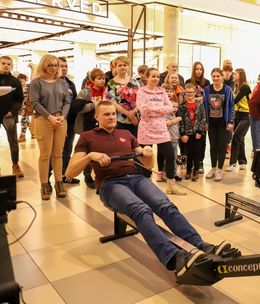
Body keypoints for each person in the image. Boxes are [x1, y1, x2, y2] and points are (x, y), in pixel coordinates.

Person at [65, 100, 232, 279]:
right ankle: (174, 258)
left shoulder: (126, 134)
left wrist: (147, 153)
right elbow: (70, 172)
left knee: (166, 205)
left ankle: (202, 245)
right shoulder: (88, 137)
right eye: (106, 114)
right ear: (97, 117)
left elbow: (148, 165)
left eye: (113, 113)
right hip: (110, 184)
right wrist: (90, 156)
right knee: (141, 210)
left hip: (137, 178)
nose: (112, 117)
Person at [136, 68, 185, 195]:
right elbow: (143, 110)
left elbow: (170, 108)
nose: (156, 78)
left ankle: (171, 185)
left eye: (158, 76)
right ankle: (146, 186)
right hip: (146, 129)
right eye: (153, 76)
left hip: (161, 129)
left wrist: (153, 108)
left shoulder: (162, 91)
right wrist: (160, 109)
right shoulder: (141, 92)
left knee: (170, 155)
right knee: (146, 158)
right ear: (146, 77)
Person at [29, 54, 71, 200]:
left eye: (56, 65)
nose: (54, 68)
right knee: (45, 155)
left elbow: (67, 101)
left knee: (58, 154)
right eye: (50, 65)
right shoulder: (36, 82)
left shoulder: (61, 82)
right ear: (44, 66)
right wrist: (49, 117)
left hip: (60, 121)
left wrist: (62, 116)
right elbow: (35, 103)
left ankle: (59, 182)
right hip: (43, 120)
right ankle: (44, 184)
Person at [74, 68, 109, 189]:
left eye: (103, 78)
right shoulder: (85, 92)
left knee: (103, 148)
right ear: (92, 80)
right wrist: (93, 105)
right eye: (99, 78)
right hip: (88, 124)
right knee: (88, 150)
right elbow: (78, 108)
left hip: (102, 124)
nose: (102, 80)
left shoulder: (107, 91)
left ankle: (101, 173)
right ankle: (87, 174)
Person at [203, 68, 235, 182]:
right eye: (214, 76)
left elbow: (232, 107)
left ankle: (220, 170)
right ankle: (213, 168)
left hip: (223, 123)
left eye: (218, 76)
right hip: (211, 123)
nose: (216, 78)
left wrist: (231, 122)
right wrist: (205, 121)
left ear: (222, 77)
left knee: (221, 146)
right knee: (213, 147)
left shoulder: (227, 90)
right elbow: (204, 106)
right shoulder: (207, 89)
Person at [0, 55, 24, 177]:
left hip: (9, 115)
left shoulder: (15, 81)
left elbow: (19, 99)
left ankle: (15, 165)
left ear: (12, 66)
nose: (6, 66)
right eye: (3, 63)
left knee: (13, 141)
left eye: (8, 64)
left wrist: (12, 111)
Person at [57, 57, 79, 184]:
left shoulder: (70, 83)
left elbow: (74, 101)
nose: (64, 68)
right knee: (55, 151)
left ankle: (65, 175)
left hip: (70, 121)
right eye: (61, 66)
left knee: (67, 149)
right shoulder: (50, 83)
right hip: (56, 120)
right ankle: (51, 179)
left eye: (65, 66)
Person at [179, 83, 206, 181]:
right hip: (188, 133)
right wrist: (182, 134)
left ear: (195, 92)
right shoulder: (182, 106)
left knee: (197, 152)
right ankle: (188, 170)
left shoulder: (200, 104)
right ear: (185, 93)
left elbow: (203, 118)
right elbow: (180, 121)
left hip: (198, 133)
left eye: (191, 92)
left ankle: (195, 170)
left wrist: (200, 130)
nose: (190, 94)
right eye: (187, 92)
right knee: (189, 152)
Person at [107, 56, 140, 137]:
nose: (122, 67)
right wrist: (128, 114)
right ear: (115, 67)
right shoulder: (111, 83)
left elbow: (140, 99)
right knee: (122, 144)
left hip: (135, 119)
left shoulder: (134, 81)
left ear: (128, 67)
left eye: (125, 65)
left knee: (135, 145)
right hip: (120, 120)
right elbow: (113, 102)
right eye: (120, 65)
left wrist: (134, 113)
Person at [226, 68, 251, 171]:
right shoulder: (235, 86)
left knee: (236, 137)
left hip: (246, 115)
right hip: (237, 115)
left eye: (235, 74)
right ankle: (243, 162)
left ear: (241, 76)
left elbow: (235, 101)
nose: (233, 75)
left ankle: (232, 163)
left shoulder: (245, 87)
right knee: (241, 139)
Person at [17, 73, 32, 143]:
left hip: (26, 107)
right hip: (22, 107)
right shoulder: (19, 88)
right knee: (26, 120)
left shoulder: (27, 87)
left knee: (23, 120)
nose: (20, 83)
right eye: (19, 81)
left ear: (25, 80)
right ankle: (33, 131)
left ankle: (22, 135)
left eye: (21, 81)